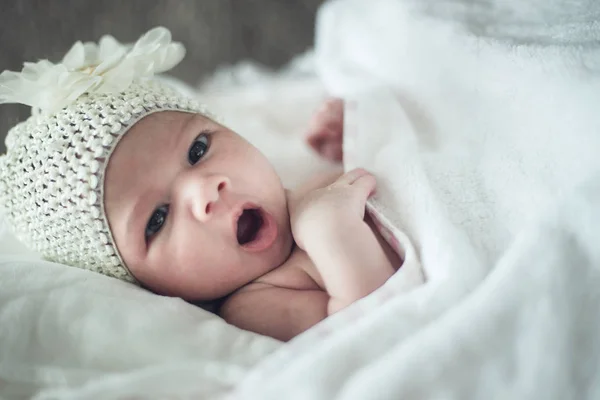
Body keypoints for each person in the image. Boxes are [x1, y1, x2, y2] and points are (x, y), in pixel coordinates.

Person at [0, 27, 402, 341]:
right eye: (157, 219)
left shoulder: (309, 187)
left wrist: (352, 140)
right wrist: (332, 231)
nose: (204, 191)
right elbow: (379, 329)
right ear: (147, 286)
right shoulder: (258, 305)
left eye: (198, 150)